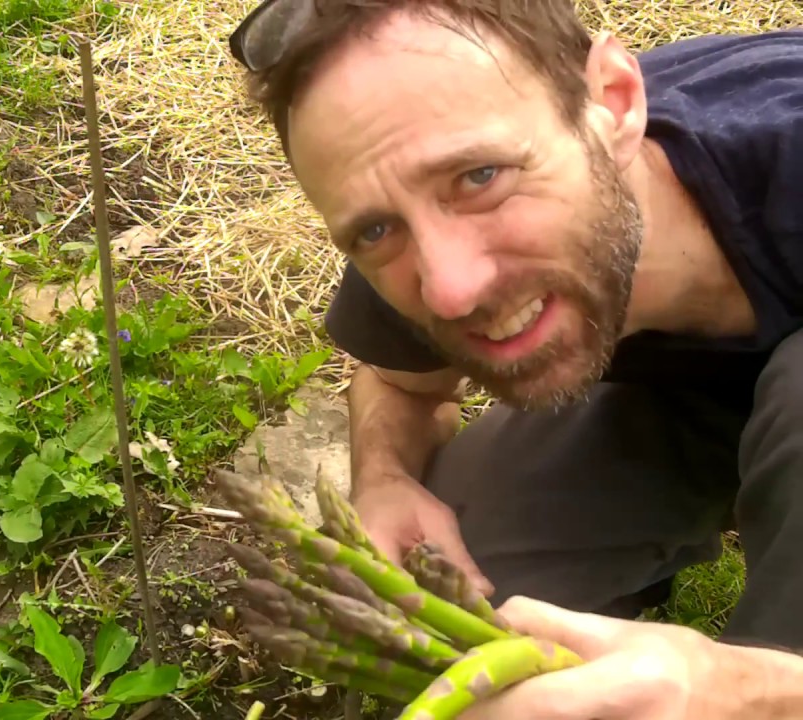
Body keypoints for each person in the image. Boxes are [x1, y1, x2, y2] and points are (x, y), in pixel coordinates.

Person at [225, 0, 803, 714]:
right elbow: (398, 384)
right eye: (376, 228)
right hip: (686, 399)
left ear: (614, 105)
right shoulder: (413, 227)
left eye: (480, 177)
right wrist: (384, 479)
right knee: (468, 571)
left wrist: (757, 693)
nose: (452, 288)